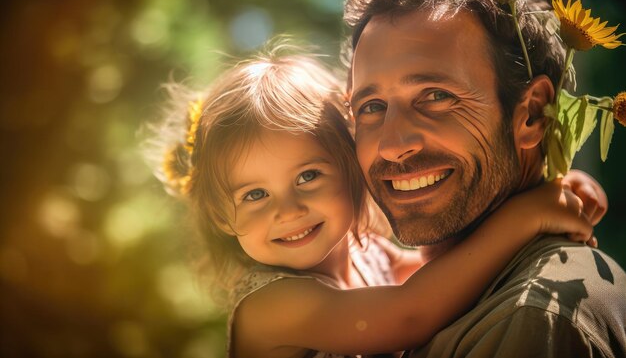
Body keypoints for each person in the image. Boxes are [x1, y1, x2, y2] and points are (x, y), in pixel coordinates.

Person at [147, 42, 605, 358]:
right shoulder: (270, 306)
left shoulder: (366, 254)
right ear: (221, 215)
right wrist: (526, 217)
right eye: (254, 194)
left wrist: (551, 189)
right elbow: (412, 312)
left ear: (350, 166)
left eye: (307, 175)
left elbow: (449, 271)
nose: (286, 210)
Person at [343, 0, 626, 357]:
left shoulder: (531, 317)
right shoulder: (382, 279)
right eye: (371, 107)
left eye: (435, 96)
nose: (392, 145)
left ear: (530, 115)